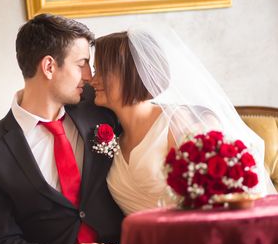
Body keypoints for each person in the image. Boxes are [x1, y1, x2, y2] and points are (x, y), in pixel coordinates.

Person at [0, 14, 124, 244]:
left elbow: (148, 114)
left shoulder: (100, 109)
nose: (90, 75)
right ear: (49, 66)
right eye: (82, 63)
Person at [91, 27, 275, 215]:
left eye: (102, 72)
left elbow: (224, 196)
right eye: (95, 70)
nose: (93, 80)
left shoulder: (182, 122)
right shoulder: (111, 137)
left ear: (131, 74)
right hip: (141, 242)